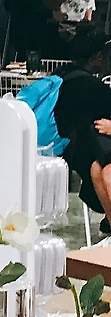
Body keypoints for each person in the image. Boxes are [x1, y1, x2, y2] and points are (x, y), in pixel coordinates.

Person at [55, 26, 111, 232]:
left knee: (104, 171)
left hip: (72, 151)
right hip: (85, 151)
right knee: (98, 169)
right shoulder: (92, 87)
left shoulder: (64, 77)